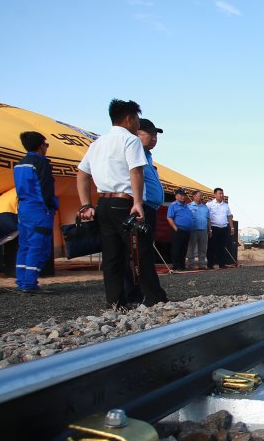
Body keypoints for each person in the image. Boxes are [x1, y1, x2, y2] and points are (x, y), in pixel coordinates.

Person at [75, 99, 166, 310]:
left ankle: (116, 302)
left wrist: (85, 205)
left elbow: (82, 174)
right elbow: (136, 171)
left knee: (112, 256)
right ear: (129, 118)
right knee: (140, 252)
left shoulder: (97, 143)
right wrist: (138, 202)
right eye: (137, 119)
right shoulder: (130, 140)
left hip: (103, 204)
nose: (137, 123)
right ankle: (155, 299)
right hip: (124, 202)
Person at [124, 119, 169, 304]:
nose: (154, 138)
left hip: (149, 208)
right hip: (140, 207)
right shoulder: (133, 154)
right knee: (139, 254)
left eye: (156, 135)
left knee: (144, 253)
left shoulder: (147, 157)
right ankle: (146, 295)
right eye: (150, 134)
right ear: (137, 134)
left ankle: (144, 293)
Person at [12, 131, 59, 294]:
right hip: (39, 210)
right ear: (41, 146)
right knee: (38, 247)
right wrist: (52, 206)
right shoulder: (40, 163)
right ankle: (29, 283)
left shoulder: (19, 164)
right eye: (46, 145)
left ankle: (21, 281)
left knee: (25, 245)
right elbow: (45, 188)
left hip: (24, 208)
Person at [166, 189, 194, 271]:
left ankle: (182, 265)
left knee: (184, 249)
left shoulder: (186, 205)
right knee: (177, 248)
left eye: (184, 195)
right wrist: (175, 228)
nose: (183, 197)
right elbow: (169, 217)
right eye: (181, 195)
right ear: (176, 196)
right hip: (178, 229)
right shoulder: (173, 205)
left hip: (187, 230)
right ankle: (176, 266)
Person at [207, 187, 233, 268]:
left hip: (224, 228)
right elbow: (208, 217)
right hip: (214, 228)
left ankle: (222, 264)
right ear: (215, 194)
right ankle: (210, 265)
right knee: (212, 247)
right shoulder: (209, 204)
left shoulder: (226, 205)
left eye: (222, 193)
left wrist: (232, 227)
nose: (221, 195)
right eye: (220, 193)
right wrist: (209, 229)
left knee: (222, 247)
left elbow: (229, 216)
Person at [186, 190, 210, 269]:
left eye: (202, 196)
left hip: (203, 230)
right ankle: (191, 265)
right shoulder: (188, 206)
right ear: (194, 196)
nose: (201, 197)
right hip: (193, 230)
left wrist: (210, 229)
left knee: (203, 248)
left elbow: (208, 219)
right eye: (200, 196)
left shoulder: (205, 207)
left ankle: (202, 265)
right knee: (191, 248)